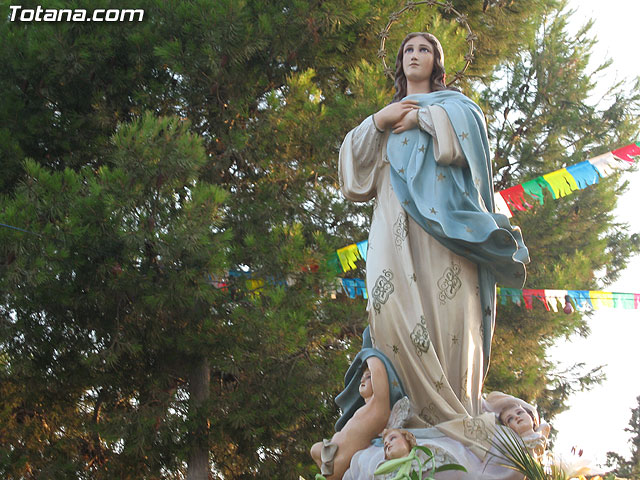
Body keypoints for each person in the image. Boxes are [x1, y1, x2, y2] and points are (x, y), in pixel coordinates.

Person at [339, 32, 529, 433]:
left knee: (449, 306)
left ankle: (454, 416)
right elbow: (353, 177)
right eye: (408, 49)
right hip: (392, 222)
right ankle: (402, 422)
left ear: (436, 61)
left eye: (424, 49)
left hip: (446, 227)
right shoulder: (385, 117)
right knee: (390, 305)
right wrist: (379, 121)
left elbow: (470, 142)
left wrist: (423, 118)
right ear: (399, 61)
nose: (414, 55)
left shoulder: (456, 106)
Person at [311, 356, 391, 479]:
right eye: (362, 377)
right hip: (329, 451)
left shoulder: (378, 407)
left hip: (340, 461)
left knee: (329, 474)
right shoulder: (363, 409)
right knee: (315, 449)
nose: (362, 379)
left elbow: (379, 371)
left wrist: (369, 355)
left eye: (368, 376)